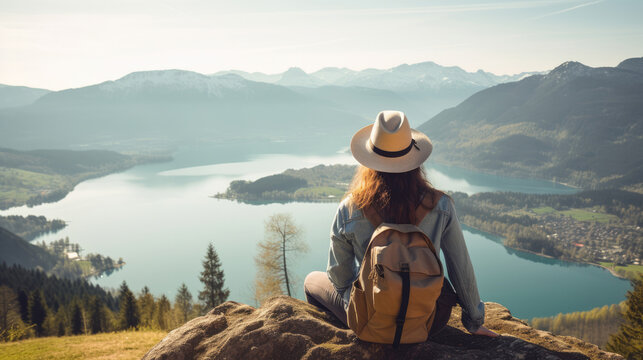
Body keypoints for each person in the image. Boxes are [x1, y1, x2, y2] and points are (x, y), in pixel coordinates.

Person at [303, 110, 498, 338]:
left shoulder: (351, 207)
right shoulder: (441, 205)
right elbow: (460, 269)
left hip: (370, 319)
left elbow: (339, 275)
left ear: (369, 160)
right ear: (414, 160)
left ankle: (347, 336)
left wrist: (366, 299)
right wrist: (474, 322)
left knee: (311, 281)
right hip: (427, 320)